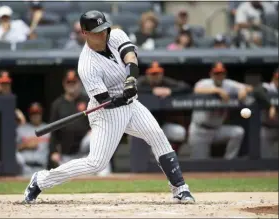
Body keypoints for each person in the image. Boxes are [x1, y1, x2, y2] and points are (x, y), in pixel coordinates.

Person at [24, 10, 195, 204]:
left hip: (131, 105)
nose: (102, 34)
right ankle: (40, 180)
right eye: (96, 31)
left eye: (104, 29)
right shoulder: (86, 65)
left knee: (157, 136)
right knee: (96, 163)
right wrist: (122, 95)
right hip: (106, 112)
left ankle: (180, 188)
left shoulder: (116, 35)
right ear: (84, 33)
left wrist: (130, 78)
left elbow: (130, 55)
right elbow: (105, 99)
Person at [187, 62, 253, 160]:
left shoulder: (229, 84)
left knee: (238, 132)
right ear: (211, 74)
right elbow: (196, 90)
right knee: (201, 165)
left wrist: (243, 90)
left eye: (221, 73)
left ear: (225, 74)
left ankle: (229, 161)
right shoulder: (205, 83)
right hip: (200, 131)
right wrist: (217, 90)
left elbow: (250, 87)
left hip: (217, 129)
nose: (219, 76)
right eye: (216, 73)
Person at [137, 61, 191, 153]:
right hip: (142, 127)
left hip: (162, 124)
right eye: (153, 73)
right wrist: (152, 91)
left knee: (179, 132)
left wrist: (170, 91)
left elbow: (186, 87)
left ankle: (171, 154)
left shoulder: (165, 82)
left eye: (158, 73)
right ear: (147, 74)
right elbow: (132, 88)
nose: (155, 76)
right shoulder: (142, 82)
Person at [16, 102, 50, 177]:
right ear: (29, 114)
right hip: (25, 168)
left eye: (38, 113)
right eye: (33, 113)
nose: (35, 115)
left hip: (42, 168)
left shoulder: (48, 129)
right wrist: (25, 146)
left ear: (41, 113)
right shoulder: (21, 129)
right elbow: (10, 152)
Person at [260, 69, 278, 158]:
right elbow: (257, 91)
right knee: (265, 158)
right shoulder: (267, 87)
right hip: (267, 128)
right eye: (277, 79)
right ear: (274, 78)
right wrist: (271, 105)